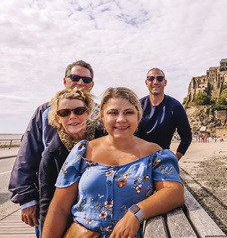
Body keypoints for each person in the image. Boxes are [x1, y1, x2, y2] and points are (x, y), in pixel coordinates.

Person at [42, 87, 185, 238]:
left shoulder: (154, 154)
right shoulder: (83, 151)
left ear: (138, 116)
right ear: (103, 117)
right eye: (113, 113)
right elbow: (59, 208)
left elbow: (174, 192)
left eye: (128, 112)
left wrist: (135, 213)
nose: (121, 119)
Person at [8, 60, 95, 234]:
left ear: (91, 85)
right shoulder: (44, 112)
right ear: (65, 81)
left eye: (85, 80)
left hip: (91, 204)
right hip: (51, 198)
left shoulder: (100, 114)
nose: (80, 83)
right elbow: (27, 155)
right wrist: (27, 199)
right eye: (75, 77)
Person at [38, 88, 105, 232]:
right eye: (64, 113)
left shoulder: (105, 139)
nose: (72, 116)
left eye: (79, 111)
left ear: (88, 112)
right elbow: (47, 204)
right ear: (58, 119)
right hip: (72, 228)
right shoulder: (51, 155)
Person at [135, 68, 192, 161]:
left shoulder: (175, 106)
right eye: (151, 78)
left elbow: (186, 136)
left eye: (159, 79)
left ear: (165, 82)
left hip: (162, 157)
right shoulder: (138, 106)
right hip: (138, 158)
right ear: (146, 82)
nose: (155, 82)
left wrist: (174, 159)